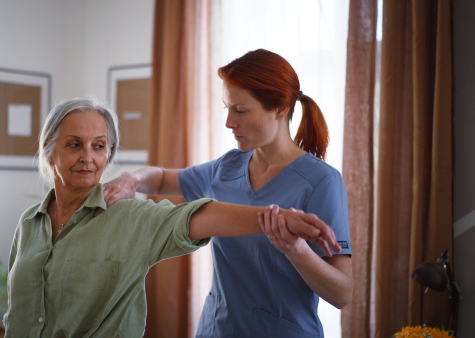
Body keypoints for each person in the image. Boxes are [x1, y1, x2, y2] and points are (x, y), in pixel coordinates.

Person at [2, 97, 341, 337]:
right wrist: (136, 178)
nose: (88, 157)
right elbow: (17, 312)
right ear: (49, 153)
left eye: (99, 146)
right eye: (74, 145)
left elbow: (202, 215)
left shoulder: (128, 218)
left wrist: (277, 217)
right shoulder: (30, 223)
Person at [102, 49, 354, 337]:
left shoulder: (321, 181)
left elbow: (342, 294)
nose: (229, 122)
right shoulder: (227, 167)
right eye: (227, 109)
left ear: (281, 109)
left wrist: (296, 251)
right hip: (216, 329)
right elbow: (160, 180)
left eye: (241, 110)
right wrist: (129, 179)